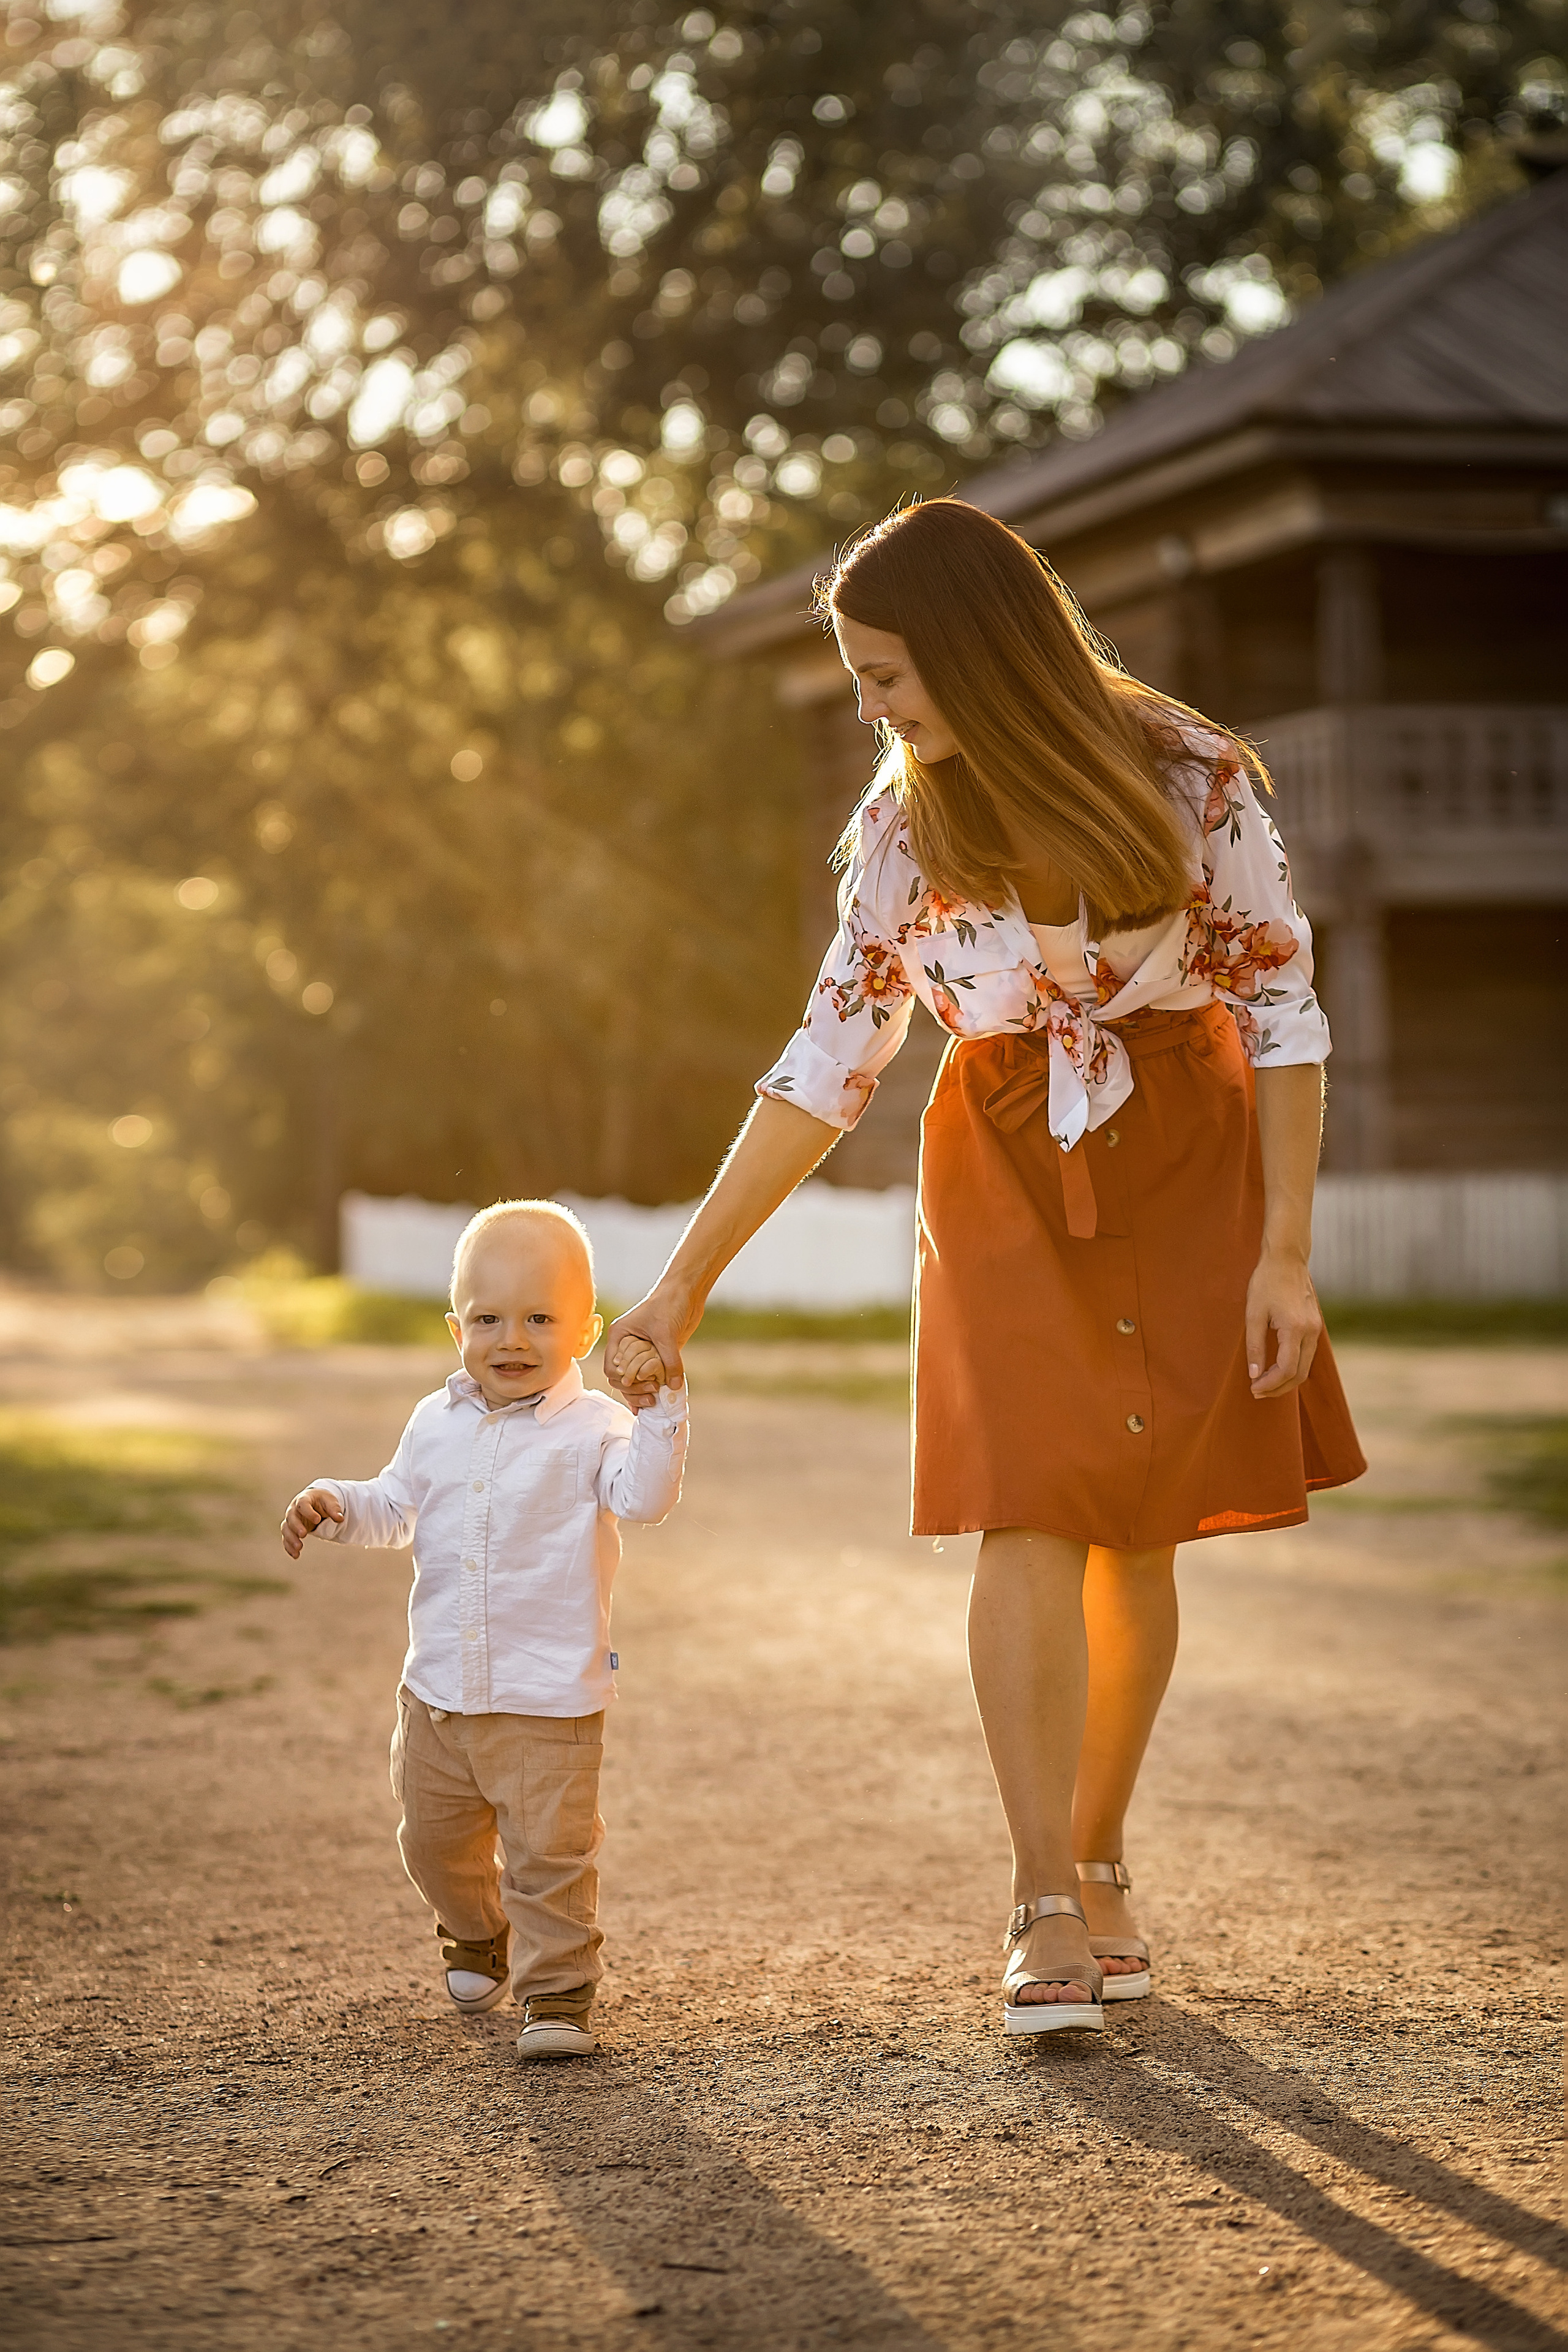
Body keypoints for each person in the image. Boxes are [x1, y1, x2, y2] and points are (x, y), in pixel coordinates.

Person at [604, 497, 1365, 2038]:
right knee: (1023, 1505)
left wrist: (1284, 1256)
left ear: (977, 651)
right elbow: (826, 1063)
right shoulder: (902, 829)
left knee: (1137, 1531)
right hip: (1007, 1164)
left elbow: (1280, 1008)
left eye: (888, 676)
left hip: (1186, 1148)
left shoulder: (1191, 777)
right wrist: (677, 1289)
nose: (874, 711)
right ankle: (1036, 1898)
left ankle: (1096, 1854)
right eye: (860, 680)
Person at [281, 1199, 688, 2059]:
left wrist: (661, 1413)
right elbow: (395, 1507)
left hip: (548, 1702)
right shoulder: (436, 1421)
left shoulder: (597, 1430)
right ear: (455, 1326)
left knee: (551, 1858)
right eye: (489, 1318)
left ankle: (558, 1994)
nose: (514, 1338)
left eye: (541, 1318)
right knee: (430, 1844)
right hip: (437, 1696)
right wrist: (337, 1504)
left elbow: (644, 1499)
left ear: (585, 1328)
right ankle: (476, 1931)